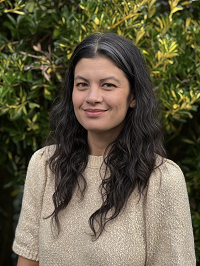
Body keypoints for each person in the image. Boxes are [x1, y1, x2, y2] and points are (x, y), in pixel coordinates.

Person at [13, 32, 196, 266]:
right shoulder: (45, 165)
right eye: (82, 85)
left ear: (134, 97)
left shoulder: (161, 180)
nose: (92, 97)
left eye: (108, 85)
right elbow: (28, 261)